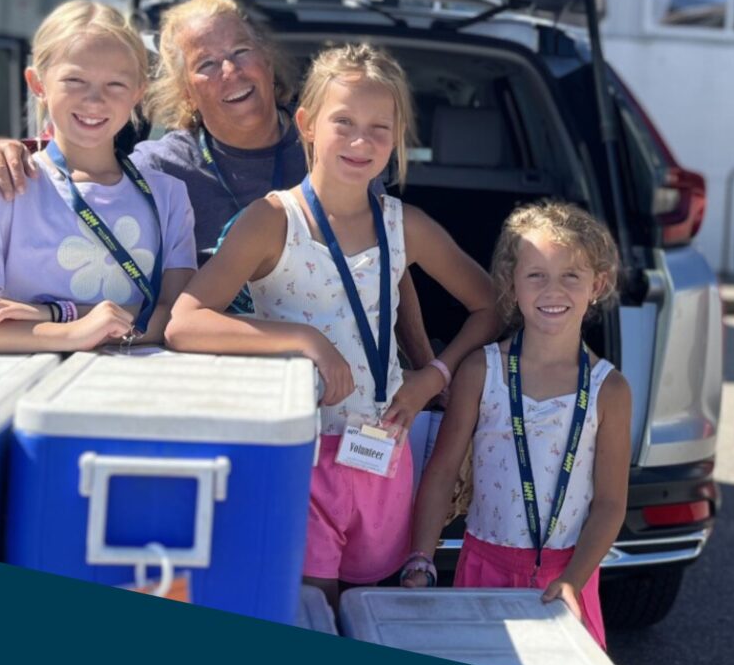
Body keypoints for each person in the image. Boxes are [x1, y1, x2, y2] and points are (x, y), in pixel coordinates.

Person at [165, 43, 500, 607]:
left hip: (382, 453)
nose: (361, 141)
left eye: (379, 127)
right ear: (307, 124)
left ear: (397, 138)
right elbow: (183, 323)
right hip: (297, 454)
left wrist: (434, 375)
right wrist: (305, 339)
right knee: (309, 608)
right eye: (343, 122)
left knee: (369, 608)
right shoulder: (272, 220)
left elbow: (490, 306)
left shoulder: (405, 225)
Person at [0, 0, 439, 373]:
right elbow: (87, 162)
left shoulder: (336, 145)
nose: (230, 70)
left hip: (348, 376)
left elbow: (390, 270)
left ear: (268, 62)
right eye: (206, 64)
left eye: (240, 52)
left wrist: (424, 368)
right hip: (211, 373)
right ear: (185, 89)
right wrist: (14, 151)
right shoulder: (162, 169)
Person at [0, 0, 196, 352]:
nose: (94, 100)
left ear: (138, 93)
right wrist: (71, 334)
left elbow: (180, 319)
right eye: (74, 80)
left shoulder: (169, 197)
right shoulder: (8, 184)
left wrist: (54, 314)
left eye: (115, 84)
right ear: (38, 83)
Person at [403, 202, 633, 650]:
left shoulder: (611, 390)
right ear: (511, 284)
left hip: (568, 580)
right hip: (482, 569)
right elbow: (443, 470)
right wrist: (420, 558)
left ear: (597, 284)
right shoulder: (480, 371)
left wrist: (572, 580)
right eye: (536, 275)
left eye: (571, 275)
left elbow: (609, 504)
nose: (553, 290)